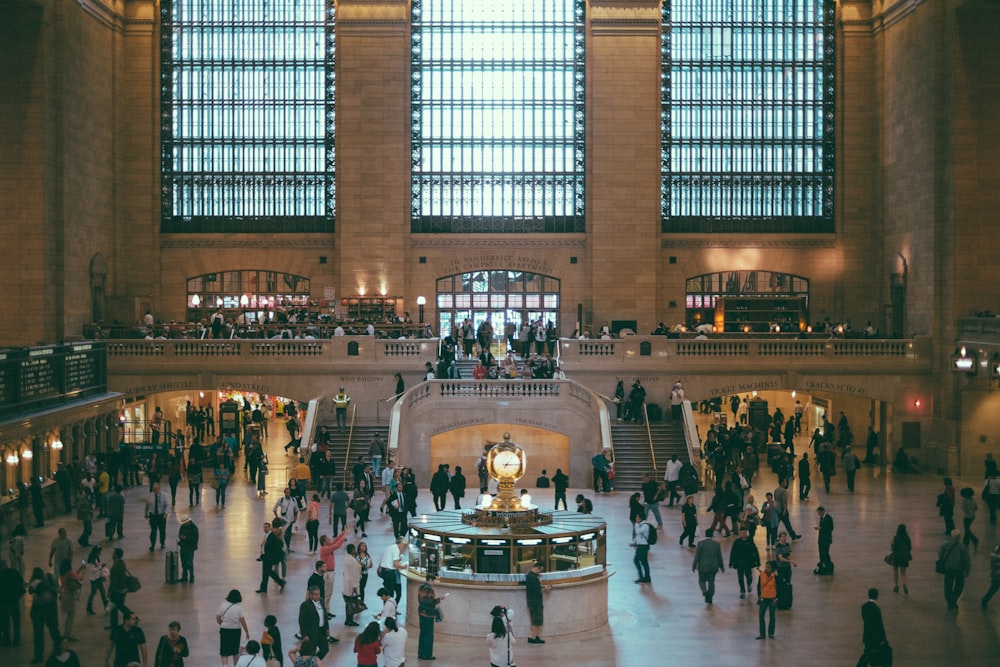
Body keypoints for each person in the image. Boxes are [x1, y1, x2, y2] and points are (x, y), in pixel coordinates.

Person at [28, 567, 60, 664]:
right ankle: (54, 651)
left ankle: (41, 655)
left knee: (45, 633)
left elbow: (57, 590)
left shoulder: (48, 580)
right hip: (44, 609)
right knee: (48, 632)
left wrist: (45, 586)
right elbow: (30, 590)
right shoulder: (39, 581)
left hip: (44, 609)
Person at [298, 586, 335, 660]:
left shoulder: (321, 601)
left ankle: (315, 662)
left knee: (325, 649)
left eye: (319, 594)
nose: (318, 596)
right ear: (311, 595)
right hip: (311, 633)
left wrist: (327, 628)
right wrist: (304, 634)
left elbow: (324, 616)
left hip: (321, 632)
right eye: (316, 594)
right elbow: (302, 621)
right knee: (311, 651)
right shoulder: (305, 605)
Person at [855, 588, 890, 667]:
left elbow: (867, 621)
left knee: (868, 653)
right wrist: (883, 639)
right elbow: (879, 625)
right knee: (872, 654)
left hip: (867, 635)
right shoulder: (876, 609)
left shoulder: (864, 607)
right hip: (875, 637)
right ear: (877, 596)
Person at [938, 529, 971, 610]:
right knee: (959, 585)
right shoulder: (962, 547)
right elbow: (966, 559)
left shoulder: (945, 545)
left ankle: (949, 600)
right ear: (959, 537)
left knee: (948, 585)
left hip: (948, 568)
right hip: (958, 569)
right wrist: (967, 569)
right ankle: (953, 599)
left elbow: (940, 554)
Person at [217, 589, 249, 666]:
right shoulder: (239, 608)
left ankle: (225, 665)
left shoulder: (223, 605)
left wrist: (222, 624)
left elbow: (218, 617)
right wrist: (247, 632)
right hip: (236, 630)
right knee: (235, 650)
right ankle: (236, 665)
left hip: (224, 629)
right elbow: (242, 621)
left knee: (224, 649)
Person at [692, 528, 725, 604]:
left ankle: (704, 591)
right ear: (712, 535)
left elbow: (697, 556)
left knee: (701, 580)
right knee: (711, 581)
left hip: (703, 566)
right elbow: (719, 556)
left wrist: (694, 565)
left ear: (705, 534)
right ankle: (710, 597)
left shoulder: (700, 544)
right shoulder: (717, 544)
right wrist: (721, 566)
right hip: (713, 566)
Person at [257, 519, 287, 593]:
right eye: (264, 527)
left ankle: (279, 582)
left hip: (269, 557)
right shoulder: (268, 535)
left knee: (267, 572)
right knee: (266, 572)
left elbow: (279, 544)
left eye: (266, 527)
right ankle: (264, 588)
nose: (265, 529)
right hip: (267, 556)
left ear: (270, 527)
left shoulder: (272, 535)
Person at [729, 527, 760, 599]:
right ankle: (742, 591)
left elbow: (755, 551)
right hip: (739, 562)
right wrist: (731, 562)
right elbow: (733, 552)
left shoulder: (750, 541)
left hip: (748, 562)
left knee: (749, 575)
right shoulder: (737, 542)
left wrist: (758, 561)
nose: (743, 534)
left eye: (745, 533)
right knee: (740, 577)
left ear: (747, 533)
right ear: (740, 533)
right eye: (742, 533)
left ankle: (749, 583)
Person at [417, 574, 441, 661]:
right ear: (430, 580)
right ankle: (427, 655)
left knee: (422, 633)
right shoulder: (429, 589)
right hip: (428, 614)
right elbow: (430, 602)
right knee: (429, 635)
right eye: (434, 580)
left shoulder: (421, 587)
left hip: (421, 613)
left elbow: (421, 600)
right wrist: (439, 599)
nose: (434, 582)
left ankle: (420, 653)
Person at [525, 561, 550, 644]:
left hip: (531, 602)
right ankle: (534, 638)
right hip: (536, 602)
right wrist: (545, 589)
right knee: (537, 621)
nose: (540, 572)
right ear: (537, 568)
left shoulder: (529, 576)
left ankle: (533, 636)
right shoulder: (533, 577)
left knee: (533, 620)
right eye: (540, 570)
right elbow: (536, 591)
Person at [378, 536, 407, 603]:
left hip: (384, 571)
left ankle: (390, 609)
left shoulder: (390, 547)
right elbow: (396, 564)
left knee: (387, 592)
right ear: (401, 543)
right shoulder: (396, 549)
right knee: (390, 594)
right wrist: (403, 566)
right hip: (389, 573)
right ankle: (389, 610)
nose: (404, 547)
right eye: (404, 545)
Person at [342, 544, 363, 626]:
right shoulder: (353, 561)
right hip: (352, 584)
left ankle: (347, 619)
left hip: (346, 583)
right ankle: (350, 620)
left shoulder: (346, 558)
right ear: (352, 550)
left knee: (348, 603)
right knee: (351, 603)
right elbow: (354, 574)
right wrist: (355, 587)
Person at [145, 483, 170, 552]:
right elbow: (147, 505)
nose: (154, 490)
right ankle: (152, 545)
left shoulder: (164, 495)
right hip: (153, 516)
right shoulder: (150, 495)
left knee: (162, 530)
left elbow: (167, 505)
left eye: (156, 488)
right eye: (154, 488)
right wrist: (146, 513)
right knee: (153, 531)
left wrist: (166, 512)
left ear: (159, 488)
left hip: (161, 516)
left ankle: (162, 543)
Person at [756, 562, 778, 639]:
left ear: (772, 569)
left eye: (768, 567)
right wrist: (759, 596)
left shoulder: (775, 577)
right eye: (766, 567)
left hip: (772, 599)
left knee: (772, 616)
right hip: (763, 598)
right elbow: (758, 586)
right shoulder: (761, 576)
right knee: (761, 616)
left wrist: (776, 598)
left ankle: (771, 633)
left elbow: (778, 588)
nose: (766, 569)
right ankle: (762, 634)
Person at [890, 523, 912, 594]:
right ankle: (904, 585)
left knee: (895, 572)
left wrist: (891, 544)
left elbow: (893, 549)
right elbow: (909, 548)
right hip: (904, 557)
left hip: (896, 557)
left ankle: (896, 586)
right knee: (903, 573)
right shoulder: (907, 538)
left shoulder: (896, 538)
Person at [630, 513, 652, 584]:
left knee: (637, 560)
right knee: (643, 561)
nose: (636, 519)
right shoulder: (641, 525)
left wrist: (636, 524)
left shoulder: (645, 526)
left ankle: (642, 577)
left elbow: (637, 531)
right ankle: (646, 577)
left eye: (637, 517)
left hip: (643, 546)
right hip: (641, 546)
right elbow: (638, 536)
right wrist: (634, 543)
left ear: (641, 518)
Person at [176, 515, 198, 583]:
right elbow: (180, 534)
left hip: (190, 548)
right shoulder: (183, 526)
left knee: (189, 562)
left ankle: (191, 577)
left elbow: (195, 538)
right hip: (183, 546)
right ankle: (184, 577)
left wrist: (186, 538)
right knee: (183, 563)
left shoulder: (194, 528)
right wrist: (181, 538)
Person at [814, 506, 835, 575]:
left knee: (825, 553)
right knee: (822, 553)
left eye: (819, 513)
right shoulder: (822, 518)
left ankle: (829, 567)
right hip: (821, 539)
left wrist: (821, 528)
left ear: (822, 512)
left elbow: (831, 528)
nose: (819, 515)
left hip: (826, 540)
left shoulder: (829, 518)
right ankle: (823, 566)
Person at [982, 543, 1000, 609]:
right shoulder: (996, 550)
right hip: (997, 574)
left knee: (993, 588)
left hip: (996, 574)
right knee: (994, 588)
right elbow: (995, 563)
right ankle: (985, 600)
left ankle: (985, 600)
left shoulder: (996, 549)